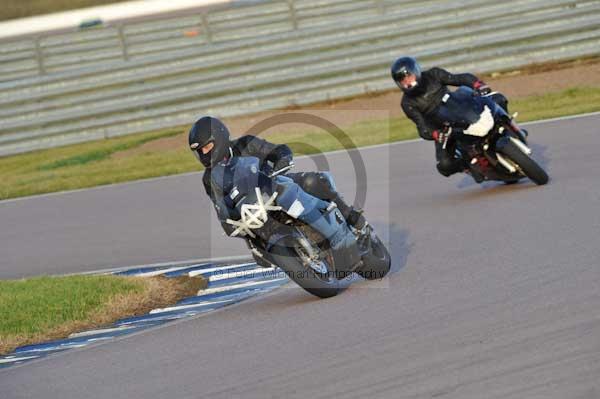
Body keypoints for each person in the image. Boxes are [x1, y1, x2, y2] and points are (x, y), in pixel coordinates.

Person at [188, 116, 367, 240]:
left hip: (276, 186)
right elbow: (221, 205)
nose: (204, 154)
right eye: (199, 151)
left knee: (314, 181)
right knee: (256, 243)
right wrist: (228, 221)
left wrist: (282, 162)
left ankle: (350, 216)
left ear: (219, 137)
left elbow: (277, 151)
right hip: (254, 212)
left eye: (206, 147)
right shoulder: (209, 179)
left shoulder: (245, 144)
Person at [391, 56, 509, 180]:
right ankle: (468, 165)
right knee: (445, 166)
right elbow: (422, 127)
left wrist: (477, 85)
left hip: (459, 107)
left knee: (498, 98)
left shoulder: (433, 74)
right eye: (402, 80)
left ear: (416, 72)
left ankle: (508, 126)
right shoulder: (407, 103)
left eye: (408, 76)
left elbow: (459, 78)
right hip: (443, 128)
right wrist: (436, 134)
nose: (406, 81)